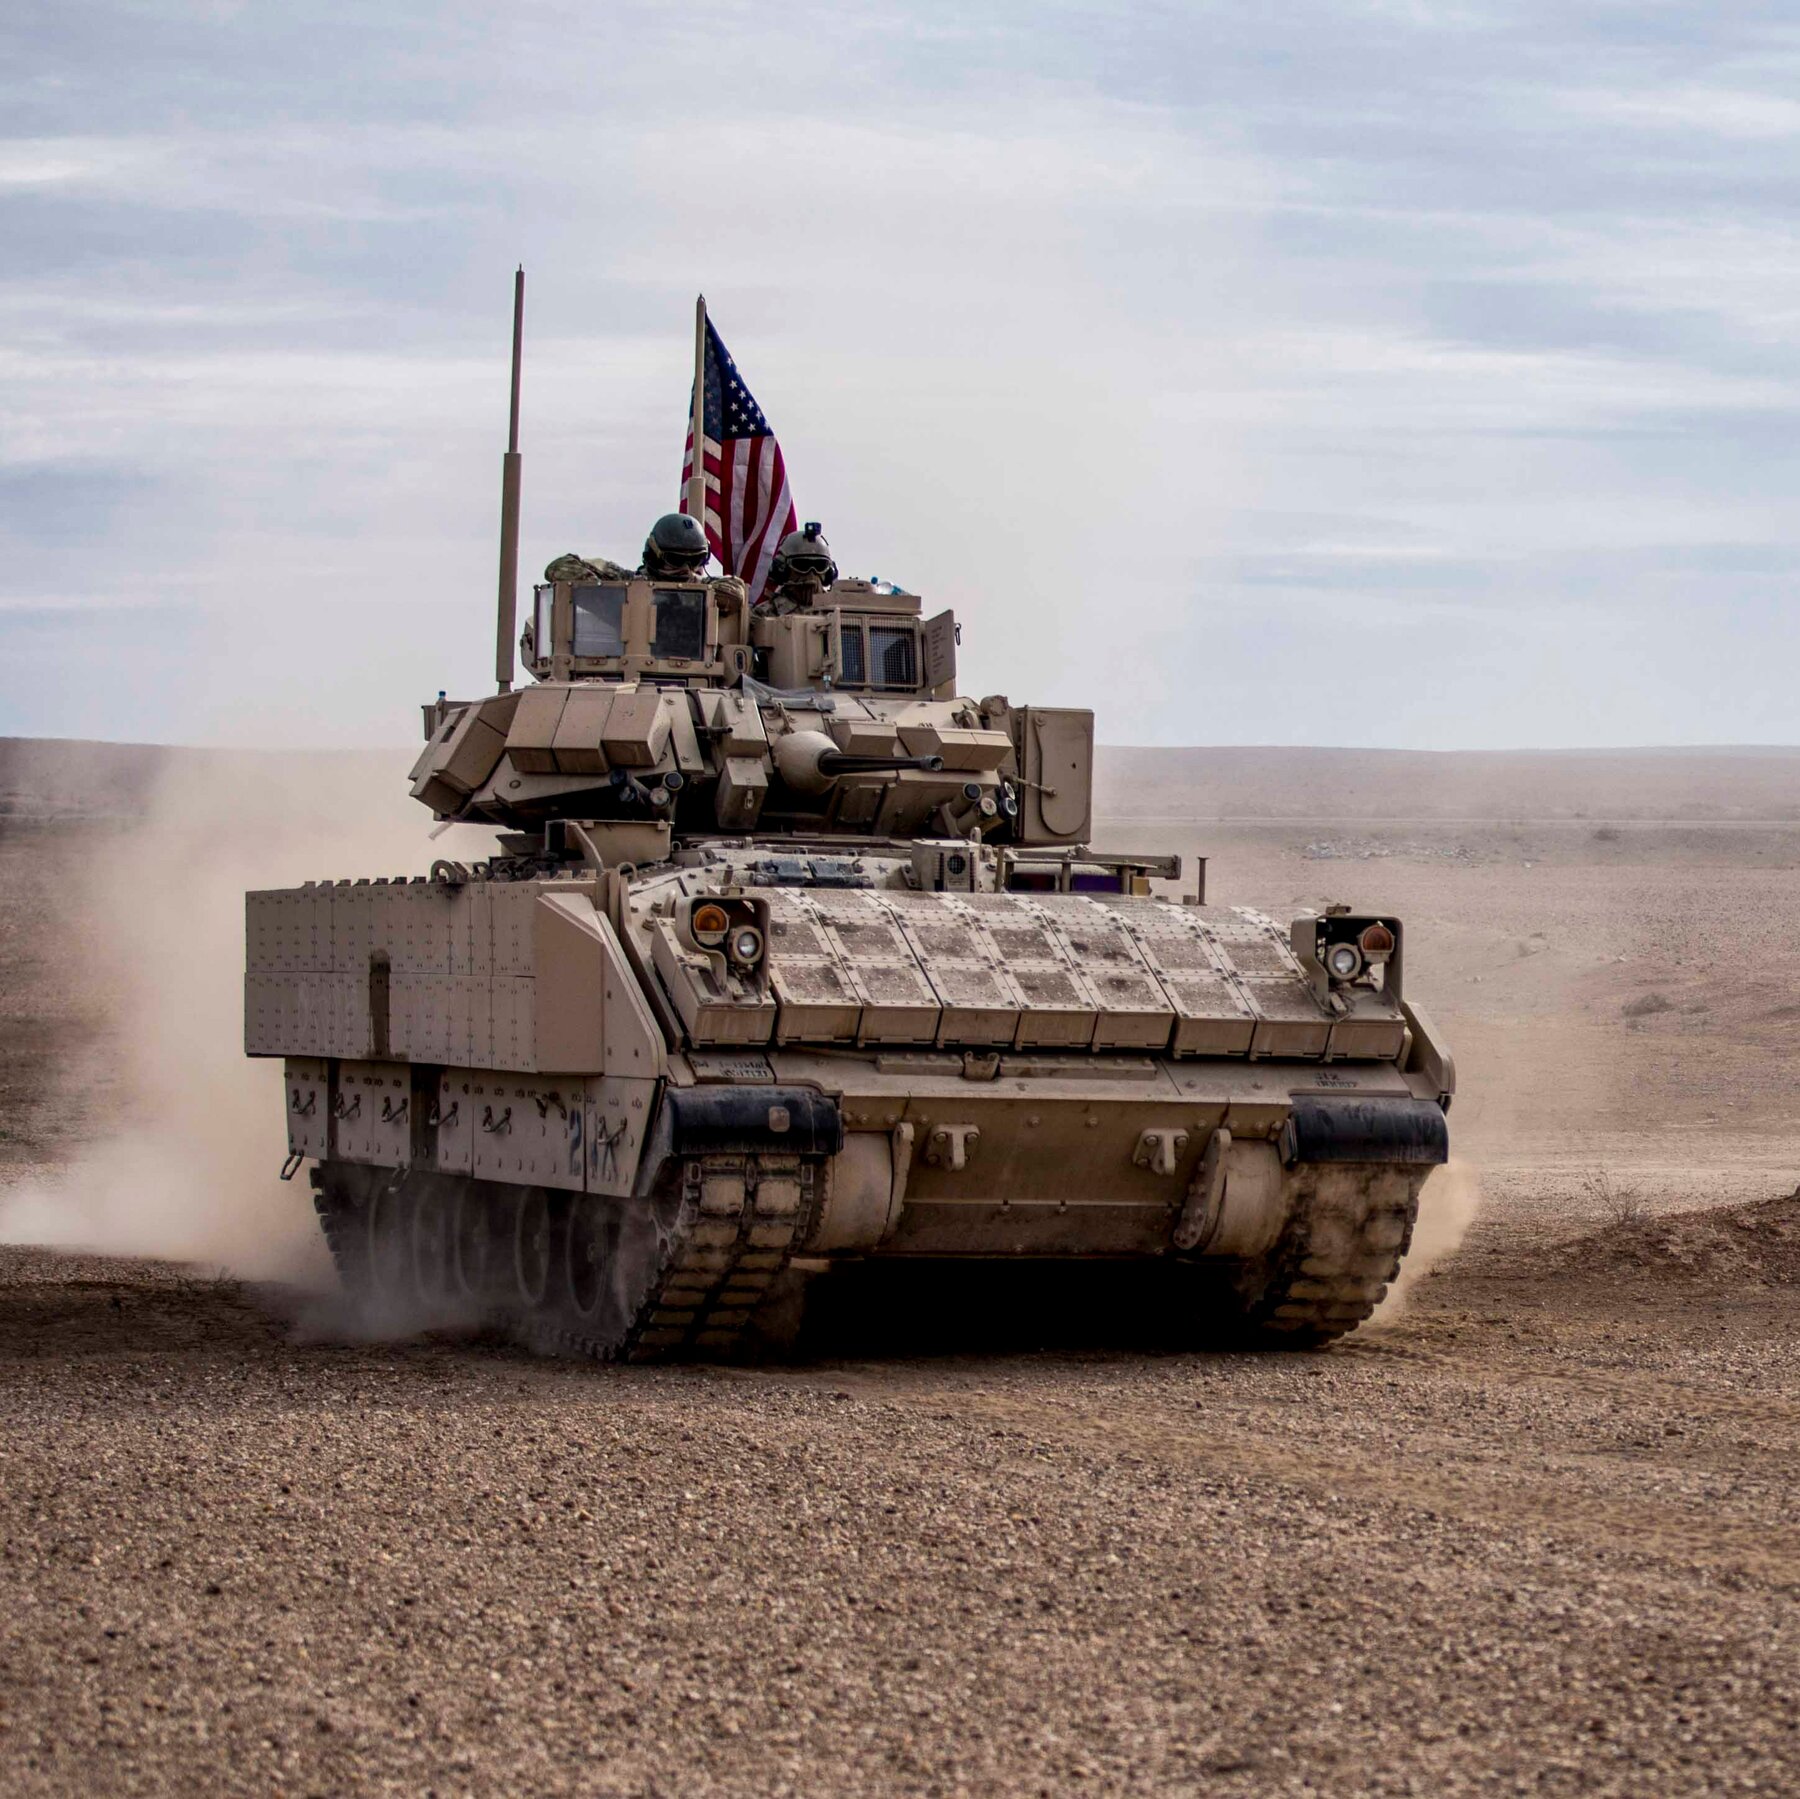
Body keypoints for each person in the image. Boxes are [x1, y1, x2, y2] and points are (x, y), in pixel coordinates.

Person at [758, 522, 837, 615]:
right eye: (802, 565)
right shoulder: (763, 614)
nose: (811, 573)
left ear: (829, 572)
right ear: (781, 570)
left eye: (819, 565)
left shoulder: (840, 611)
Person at [641, 512, 711, 579]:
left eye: (695, 560)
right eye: (677, 560)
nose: (686, 568)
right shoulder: (636, 585)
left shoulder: (708, 585)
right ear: (654, 559)